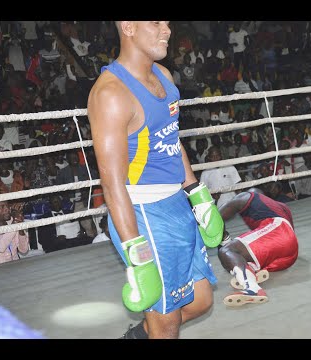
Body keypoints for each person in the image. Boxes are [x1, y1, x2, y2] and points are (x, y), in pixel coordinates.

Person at [87, 21, 224, 339]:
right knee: (166, 324)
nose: (167, 30)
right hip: (145, 214)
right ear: (128, 27)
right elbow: (112, 184)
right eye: (156, 22)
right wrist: (138, 253)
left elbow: (171, 140)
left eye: (167, 22)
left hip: (177, 203)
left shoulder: (164, 76)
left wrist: (197, 194)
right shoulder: (111, 94)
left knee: (200, 300)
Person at [217, 188, 298, 307]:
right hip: (290, 253)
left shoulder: (247, 196)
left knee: (227, 251)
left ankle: (253, 289)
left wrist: (223, 238)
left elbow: (216, 219)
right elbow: (290, 236)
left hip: (278, 231)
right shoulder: (281, 206)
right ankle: (251, 274)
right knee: (239, 260)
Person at [0, 201, 29, 265]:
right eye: (2, 207)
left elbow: (24, 250)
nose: (7, 209)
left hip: (15, 265)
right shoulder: (13, 223)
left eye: (7, 205)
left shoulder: (11, 222)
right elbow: (0, 248)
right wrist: (14, 225)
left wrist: (20, 227)